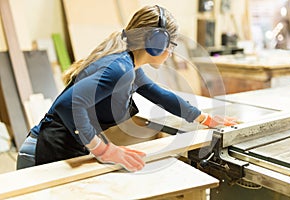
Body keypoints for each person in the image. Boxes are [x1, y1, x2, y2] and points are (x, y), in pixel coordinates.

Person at [16, 5, 236, 172]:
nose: (171, 51)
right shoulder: (120, 69)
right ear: (156, 41)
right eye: (170, 44)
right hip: (43, 152)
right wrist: (103, 149)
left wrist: (203, 118)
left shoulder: (129, 66)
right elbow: (69, 105)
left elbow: (161, 95)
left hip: (58, 149)